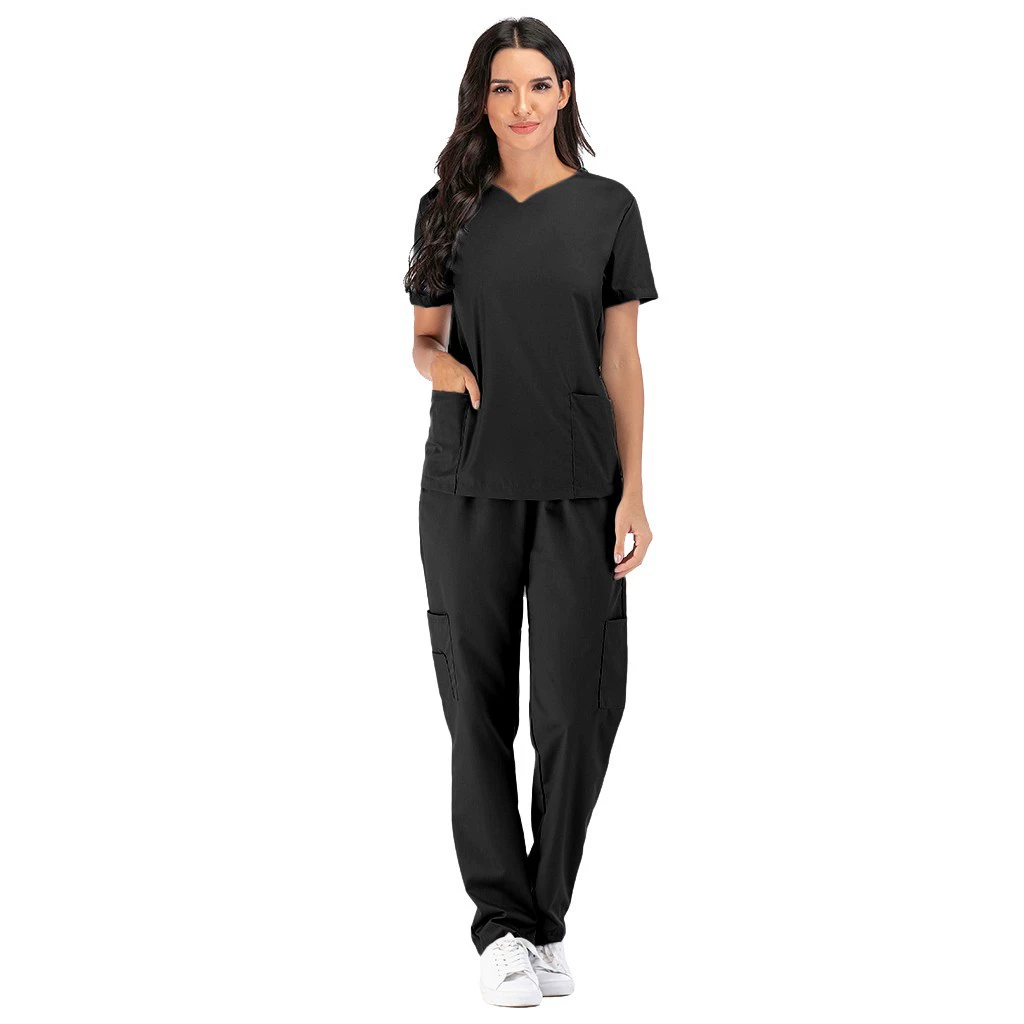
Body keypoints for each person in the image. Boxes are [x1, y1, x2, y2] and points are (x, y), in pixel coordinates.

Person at [404, 17, 658, 1008]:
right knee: (475, 706)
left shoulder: (608, 209)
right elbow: (422, 339)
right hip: (466, 480)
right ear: (482, 98)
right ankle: (502, 928)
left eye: (538, 85)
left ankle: (541, 915)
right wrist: (445, 367)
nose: (521, 106)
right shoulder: (447, 209)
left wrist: (635, 488)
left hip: (579, 482)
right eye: (503, 87)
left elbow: (621, 358)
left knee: (578, 708)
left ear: (565, 94)